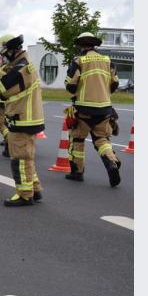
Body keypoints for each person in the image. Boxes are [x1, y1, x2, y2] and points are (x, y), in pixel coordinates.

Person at [0, 34, 45, 207]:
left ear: (12, 51)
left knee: (19, 158)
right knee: (27, 157)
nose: (3, 57)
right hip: (25, 117)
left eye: (4, 53)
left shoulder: (20, 67)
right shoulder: (21, 63)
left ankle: (25, 195)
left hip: (22, 119)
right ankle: (35, 189)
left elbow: (1, 88)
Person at [64, 32, 122, 187]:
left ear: (80, 45)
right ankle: (111, 162)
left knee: (77, 139)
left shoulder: (79, 61)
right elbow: (115, 83)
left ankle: (77, 172)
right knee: (101, 139)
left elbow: (70, 85)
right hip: (104, 109)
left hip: (83, 110)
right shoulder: (107, 60)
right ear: (94, 45)